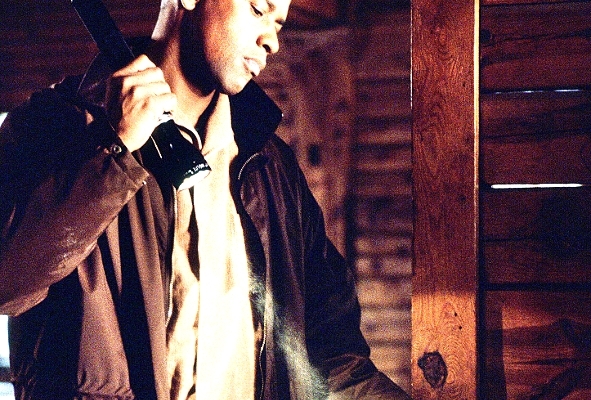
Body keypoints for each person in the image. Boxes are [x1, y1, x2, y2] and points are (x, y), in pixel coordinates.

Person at [0, 0, 411, 398]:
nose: (272, 41)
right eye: (258, 9)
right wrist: (114, 149)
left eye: (279, 23)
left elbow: (333, 358)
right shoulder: (53, 125)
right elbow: (7, 282)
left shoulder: (272, 168)